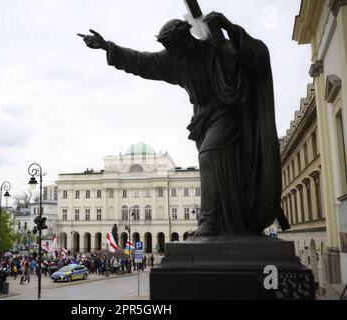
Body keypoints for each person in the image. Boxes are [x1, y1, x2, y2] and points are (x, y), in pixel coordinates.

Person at [78, 12, 290, 237]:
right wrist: (107, 47)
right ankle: (227, 221)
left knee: (210, 155)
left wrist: (229, 27)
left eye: (174, 46)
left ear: (185, 39)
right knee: (226, 166)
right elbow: (141, 61)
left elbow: (258, 56)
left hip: (229, 111)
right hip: (204, 118)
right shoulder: (173, 60)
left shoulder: (215, 48)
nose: (171, 51)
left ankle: (211, 221)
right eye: (169, 48)